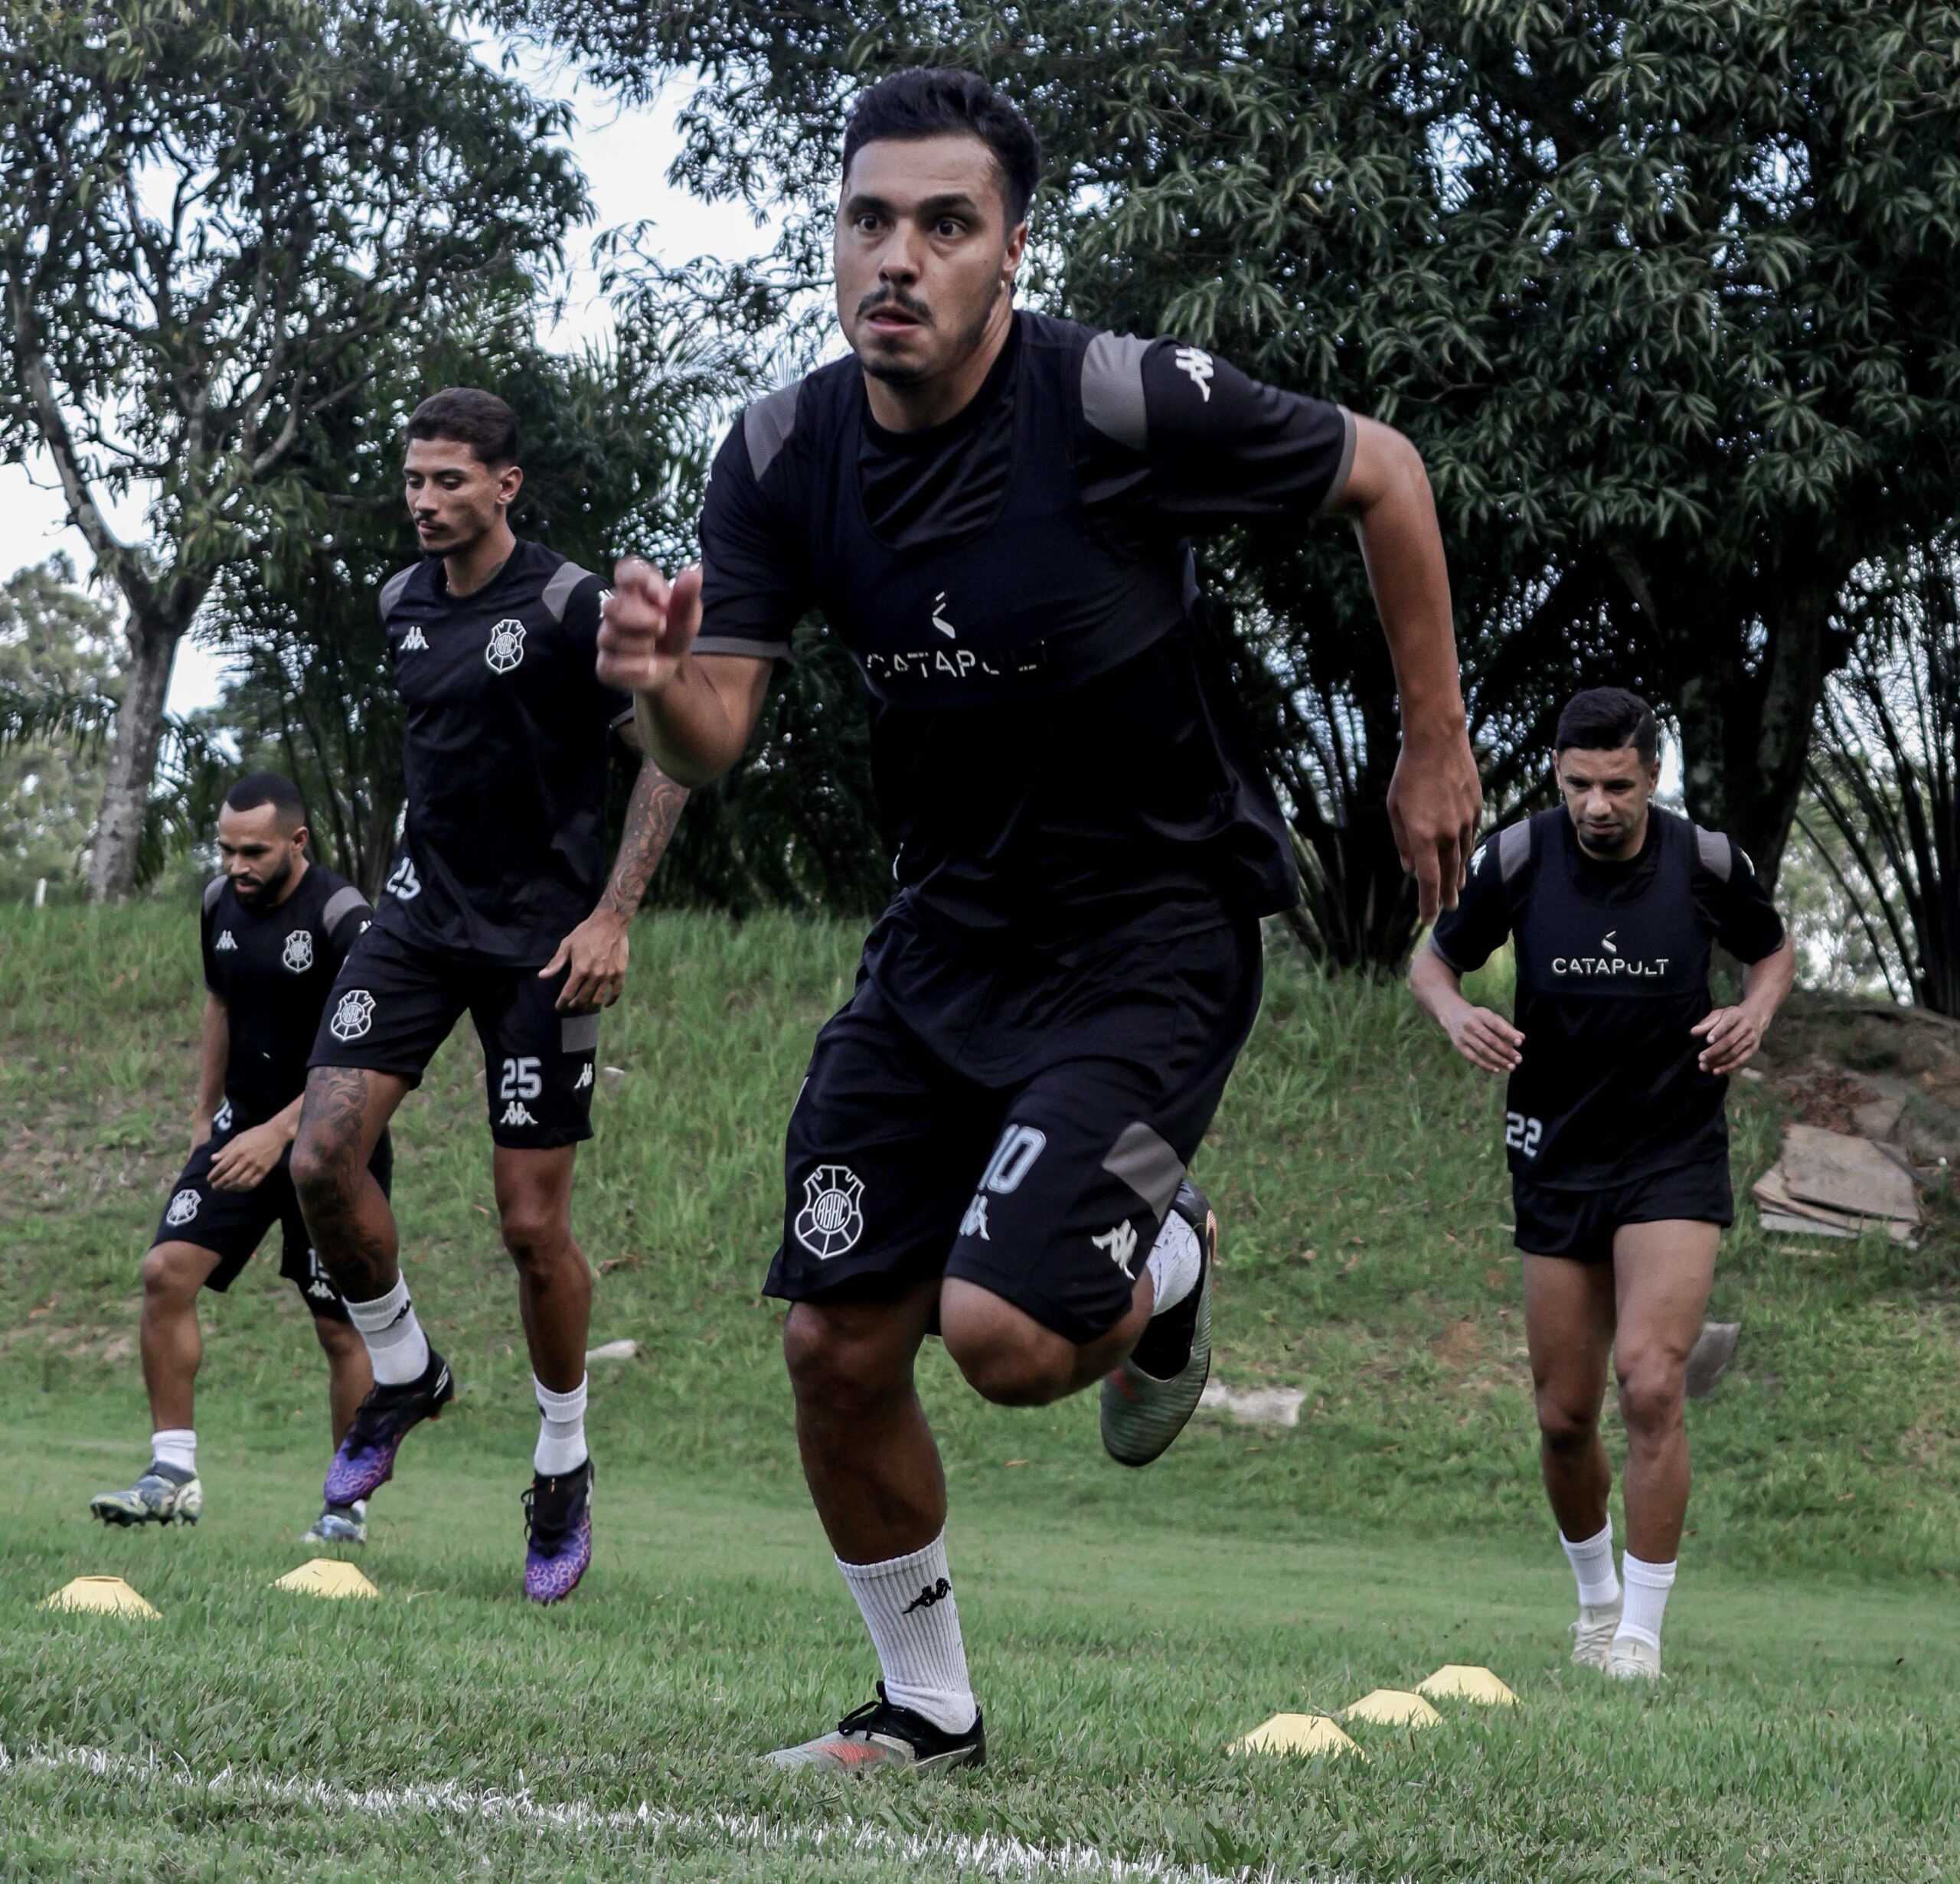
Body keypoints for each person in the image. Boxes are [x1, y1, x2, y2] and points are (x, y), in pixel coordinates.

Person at [597, 67, 1481, 1768]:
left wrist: (1430, 741)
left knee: (1000, 1339)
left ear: (1009, 249)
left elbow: (1386, 474)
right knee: (834, 1340)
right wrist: (650, 683)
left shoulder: (1114, 400)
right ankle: (924, 1713)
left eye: (945, 224)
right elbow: (715, 734)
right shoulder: (782, 453)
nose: (897, 258)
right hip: (945, 939)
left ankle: (1169, 1248)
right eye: (868, 219)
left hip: (1154, 930)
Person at [289, 387, 690, 1604]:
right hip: (417, 924)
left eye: (450, 480)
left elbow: (672, 750)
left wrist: (615, 911)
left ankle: (561, 1467)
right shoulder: (400, 604)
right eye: (414, 480)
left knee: (529, 1225)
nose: (424, 502)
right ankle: (405, 1369)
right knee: (320, 1160)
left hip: (542, 945)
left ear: (505, 485)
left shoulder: (570, 606)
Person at [1411, 687, 1795, 1680]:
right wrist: (1458, 1018)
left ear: (1652, 777)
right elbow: (1433, 966)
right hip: (1556, 1154)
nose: (1596, 805)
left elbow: (1772, 951)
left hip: (1670, 1152)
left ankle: (1640, 1639)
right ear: (1555, 774)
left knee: (1652, 1380)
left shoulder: (1702, 860)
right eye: (1578, 783)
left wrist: (1754, 1013)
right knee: (1563, 1413)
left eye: (1617, 785)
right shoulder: (1520, 857)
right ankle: (1595, 1610)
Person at [90, 773, 388, 1544]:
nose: (235, 864)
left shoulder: (340, 916)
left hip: (334, 1145)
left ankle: (344, 1509)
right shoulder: (218, 904)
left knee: (340, 1329)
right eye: (225, 848)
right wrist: (204, 1115)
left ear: (297, 842)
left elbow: (364, 1053)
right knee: (165, 1272)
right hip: (240, 1127)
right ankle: (171, 1475)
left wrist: (284, 1133)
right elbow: (220, 1004)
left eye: (252, 851)